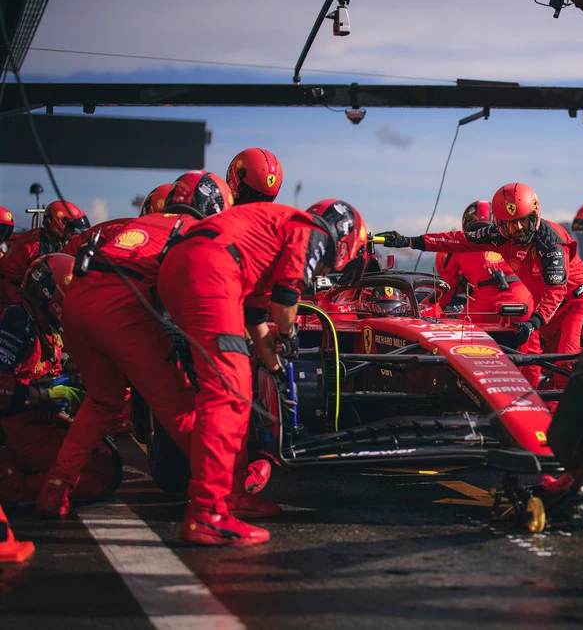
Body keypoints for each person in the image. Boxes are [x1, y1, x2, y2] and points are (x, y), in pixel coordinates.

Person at [36, 172, 258, 517]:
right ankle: (225, 497)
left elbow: (61, 257)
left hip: (76, 304)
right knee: (181, 406)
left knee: (102, 403)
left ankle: (55, 488)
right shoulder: (195, 232)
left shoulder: (122, 225)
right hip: (123, 310)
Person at [156, 198, 368, 546]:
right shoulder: (311, 229)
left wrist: (276, 368)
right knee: (229, 395)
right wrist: (290, 335)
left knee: (236, 391)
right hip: (211, 269)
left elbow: (255, 317)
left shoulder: (268, 239)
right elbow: (285, 301)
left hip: (191, 267)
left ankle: (231, 494)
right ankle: (206, 512)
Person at [379, 183, 583, 384]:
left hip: (570, 305)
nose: (517, 228)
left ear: (534, 216)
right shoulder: (497, 237)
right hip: (540, 308)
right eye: (509, 223)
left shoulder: (551, 242)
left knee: (564, 362)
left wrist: (533, 323)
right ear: (498, 223)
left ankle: (561, 415)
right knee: (547, 365)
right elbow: (456, 240)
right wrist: (408, 241)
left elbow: (556, 290)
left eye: (522, 221)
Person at [0, 254, 116, 504]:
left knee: (101, 448)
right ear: (51, 295)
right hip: (14, 432)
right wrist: (45, 394)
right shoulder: (16, 325)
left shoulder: (42, 329)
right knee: (100, 467)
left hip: (30, 425)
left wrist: (63, 386)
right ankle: (16, 488)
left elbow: (41, 374)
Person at [435, 200, 540, 387]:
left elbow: (446, 286)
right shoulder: (517, 239)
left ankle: (462, 386)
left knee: (455, 337)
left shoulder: (461, 243)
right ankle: (532, 395)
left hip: (483, 304)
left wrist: (436, 310)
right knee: (532, 347)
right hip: (522, 299)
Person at [0, 200, 89, 309]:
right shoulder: (37, 245)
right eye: (70, 227)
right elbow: (42, 279)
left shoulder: (47, 238)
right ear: (57, 223)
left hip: (16, 291)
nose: (73, 232)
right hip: (12, 298)